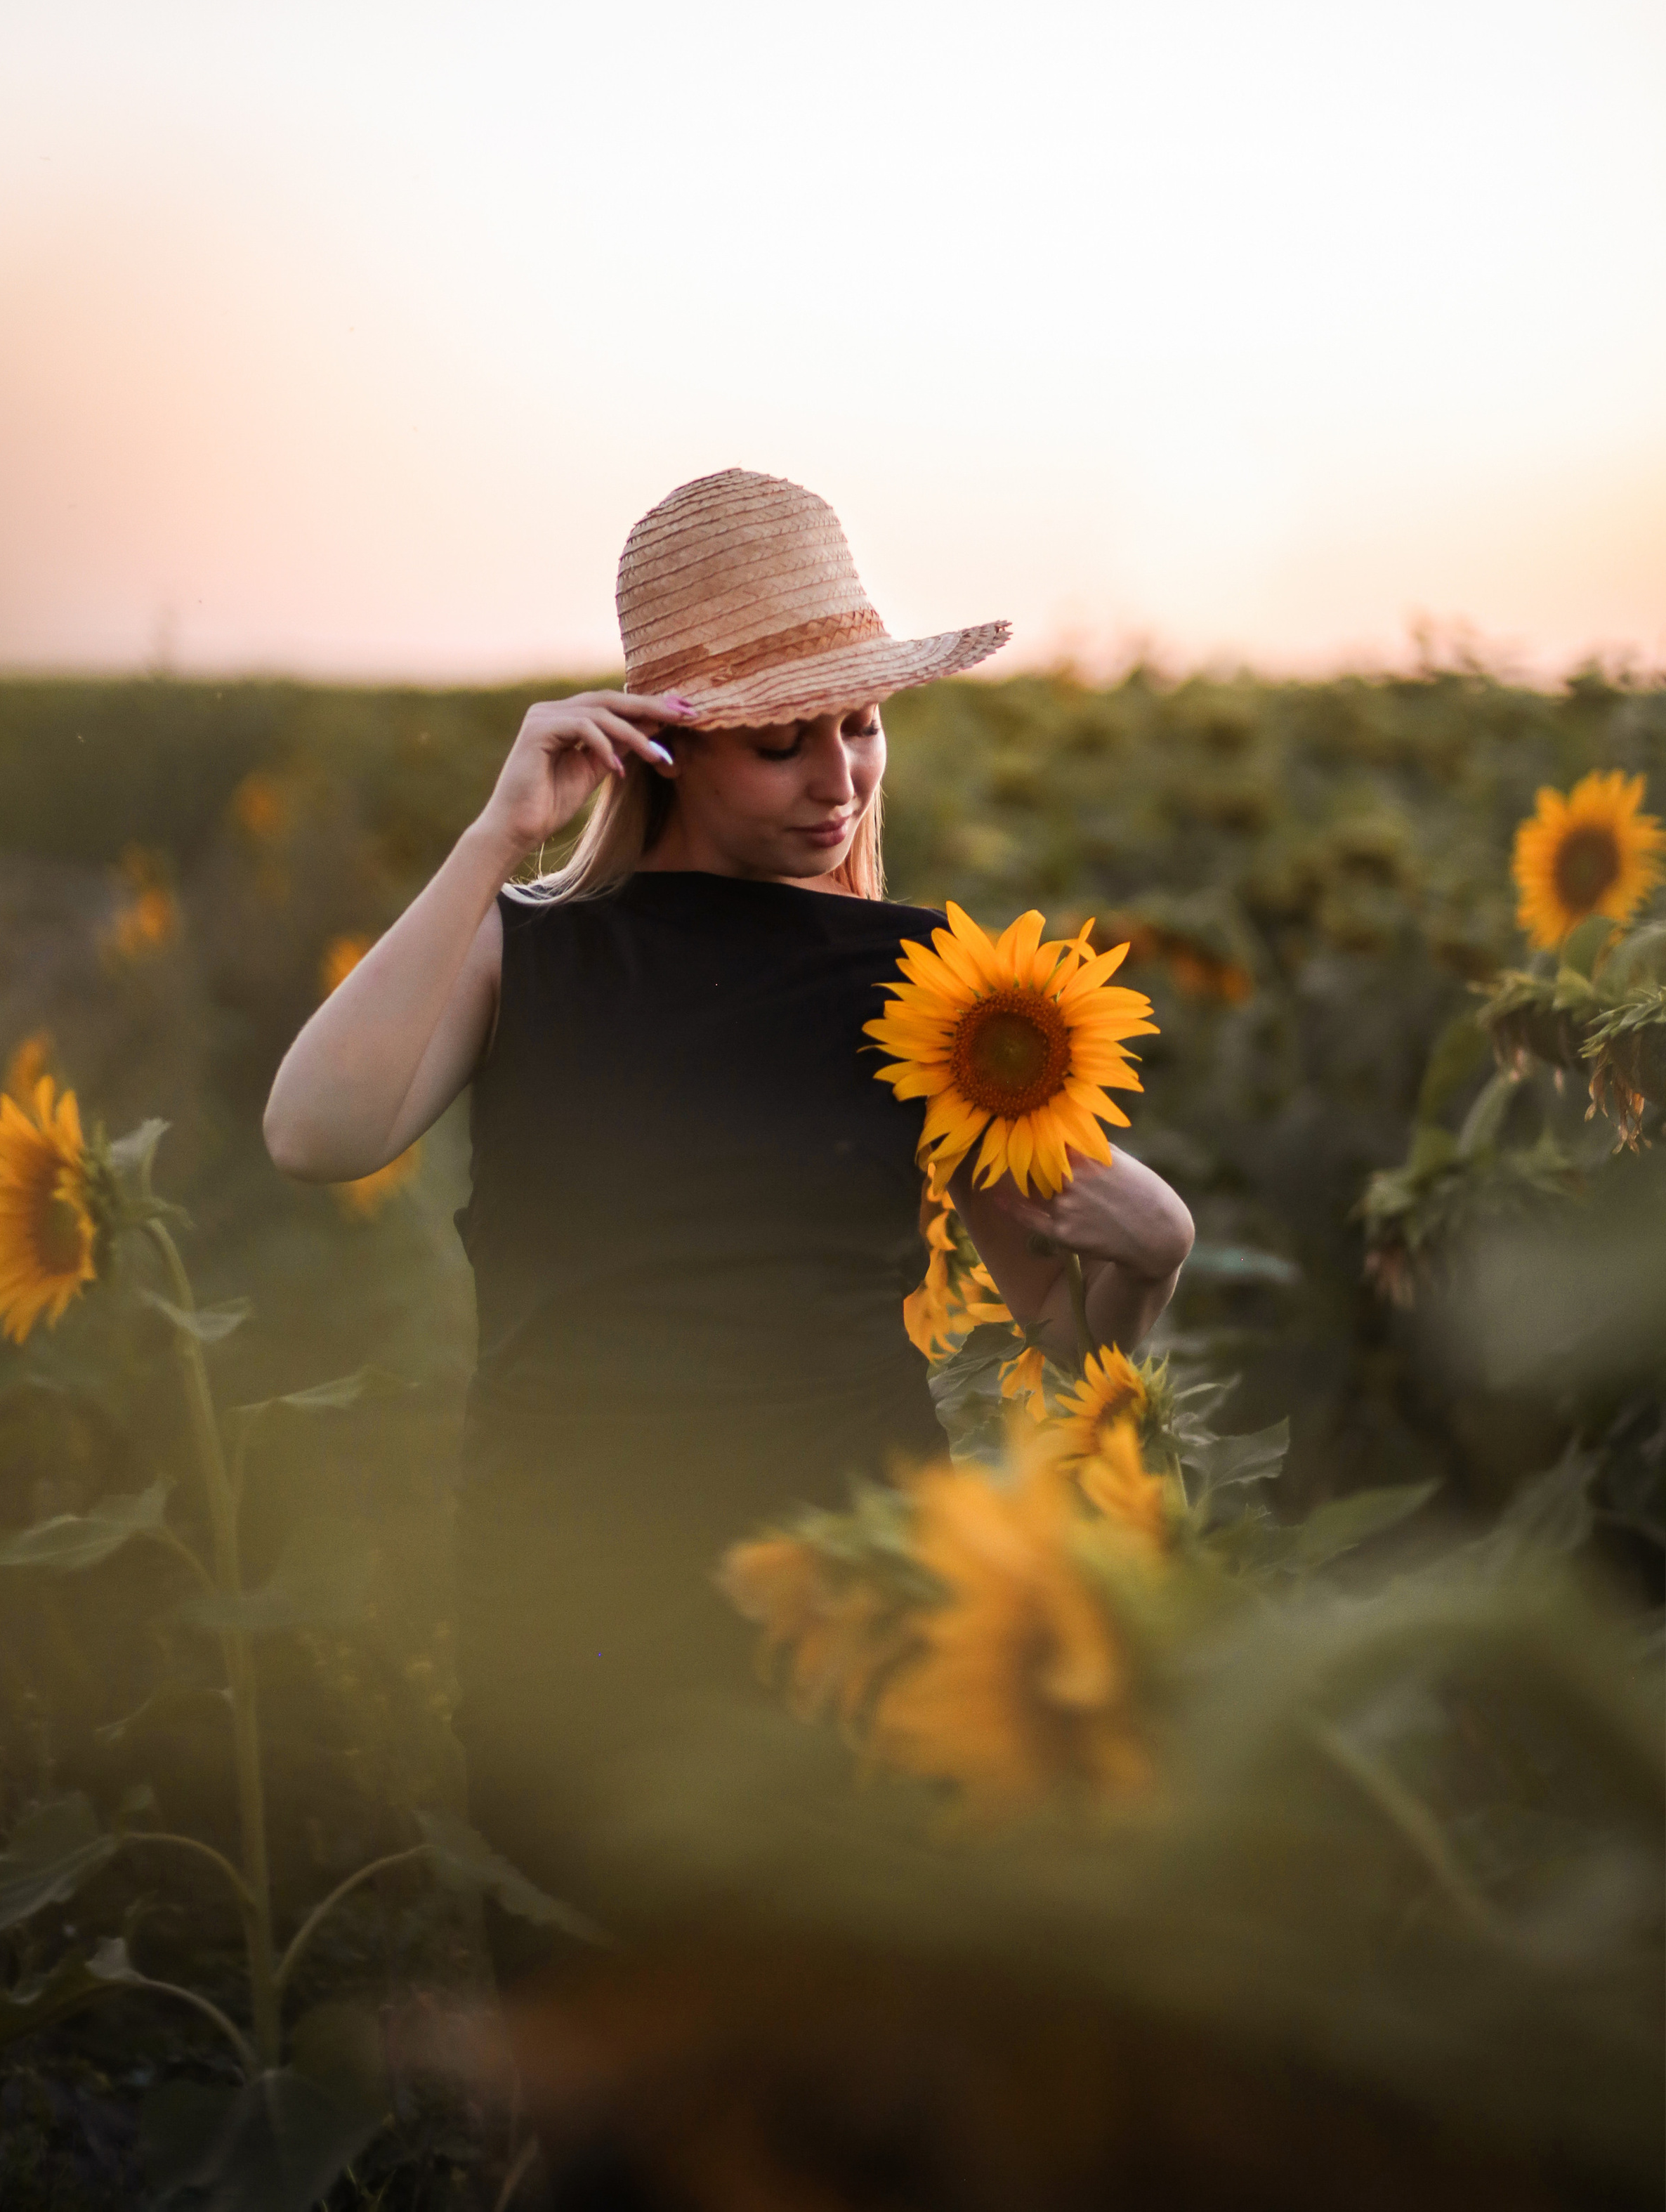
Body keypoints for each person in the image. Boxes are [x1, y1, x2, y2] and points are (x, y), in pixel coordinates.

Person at [264, 469, 1193, 1930]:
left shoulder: (923, 982)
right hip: (572, 1599)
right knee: (599, 2009)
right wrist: (496, 838)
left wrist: (1152, 1262)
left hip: (856, 1584)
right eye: (781, 741)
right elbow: (315, 1132)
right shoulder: (530, 950)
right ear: (666, 749)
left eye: (861, 725)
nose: (841, 779)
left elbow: (1069, 1343)